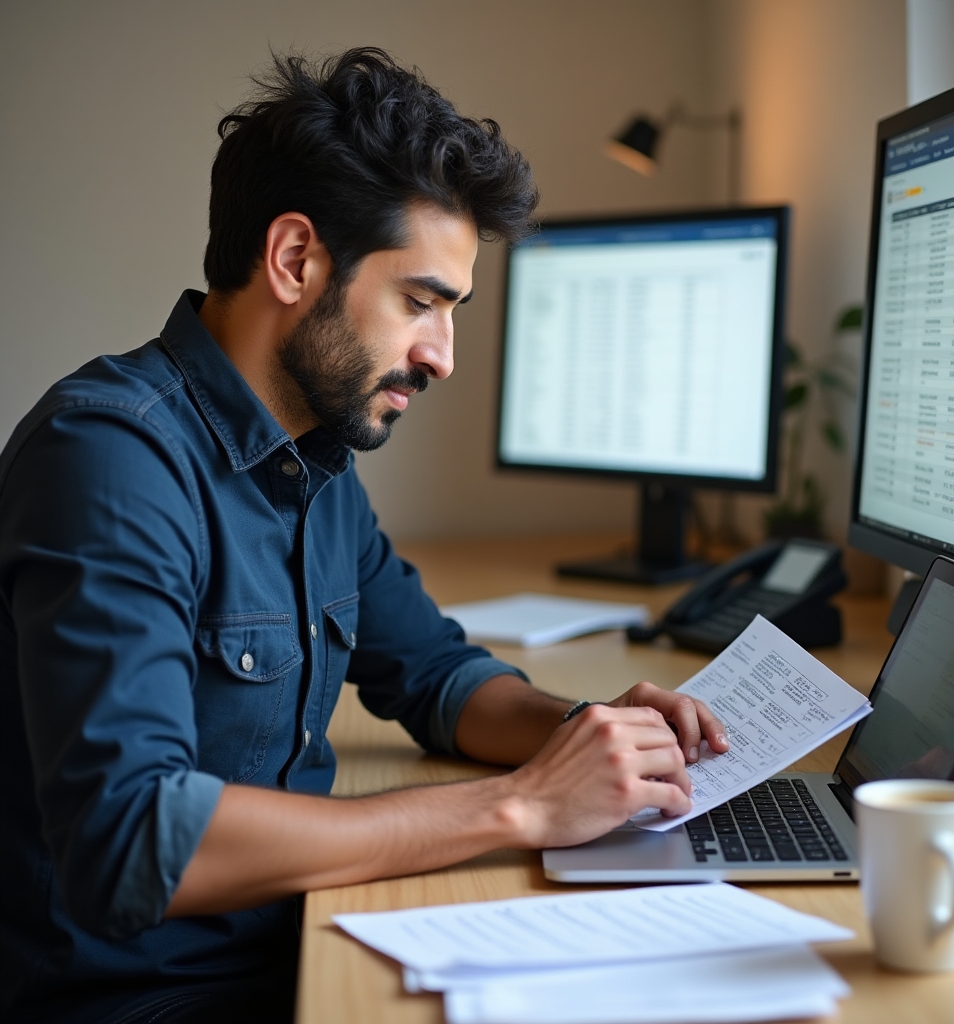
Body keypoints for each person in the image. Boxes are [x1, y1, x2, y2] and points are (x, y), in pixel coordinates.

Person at [0, 48, 729, 1023]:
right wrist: (520, 807)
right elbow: (133, 837)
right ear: (294, 259)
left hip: (293, 945)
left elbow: (435, 675)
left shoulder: (317, 455)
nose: (443, 355)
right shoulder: (110, 456)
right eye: (420, 302)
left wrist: (589, 736)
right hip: (141, 998)